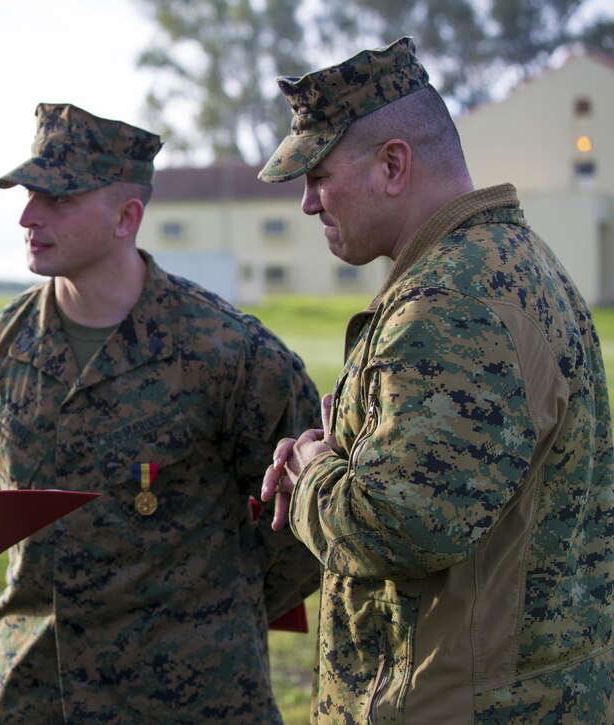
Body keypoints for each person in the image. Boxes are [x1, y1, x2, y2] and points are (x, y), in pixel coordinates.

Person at [259, 37, 614, 722]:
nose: (308, 204)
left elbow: (396, 527)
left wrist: (311, 472)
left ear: (394, 164)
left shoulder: (449, 304)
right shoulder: (511, 262)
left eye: (319, 176)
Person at [0, 102, 322, 723]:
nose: (27, 216)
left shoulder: (233, 356)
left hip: (193, 698)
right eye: (26, 195)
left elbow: (302, 529)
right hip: (40, 695)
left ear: (127, 217)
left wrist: (207, 616)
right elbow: (3, 494)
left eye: (57, 199)